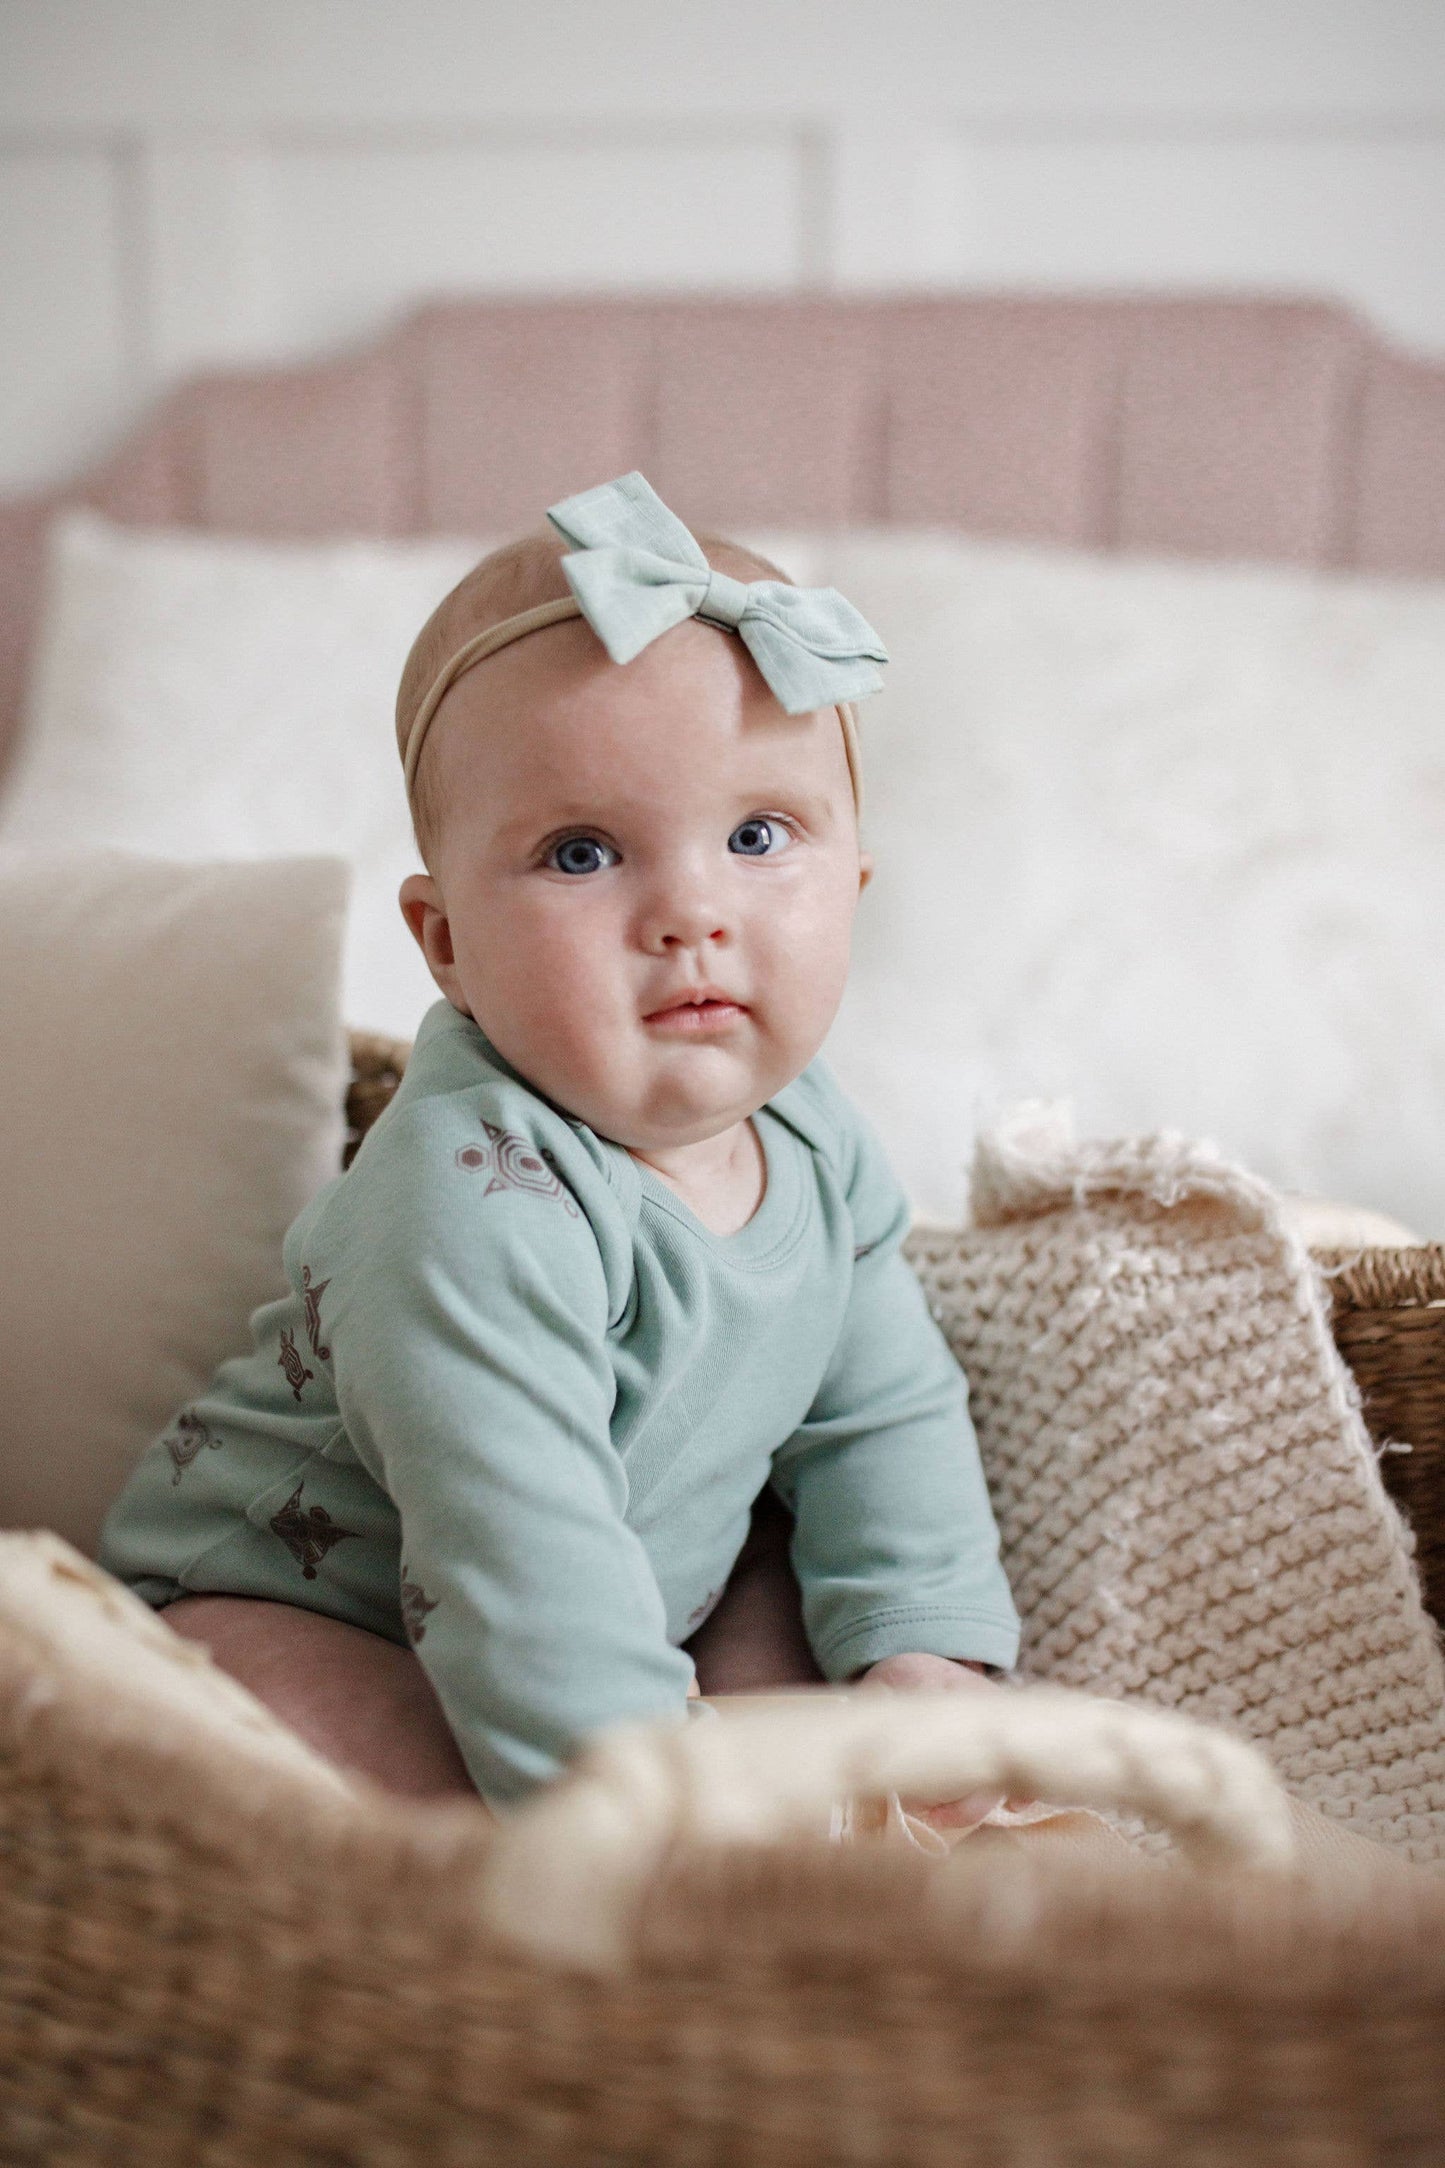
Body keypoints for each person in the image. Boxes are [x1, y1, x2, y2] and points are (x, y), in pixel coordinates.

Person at [97, 472, 1022, 1822]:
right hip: (309, 1602)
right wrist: (637, 1796)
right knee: (277, 1740)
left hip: (626, 1603)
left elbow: (880, 1413)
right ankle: (613, 1870)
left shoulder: (818, 1144)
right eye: (583, 853)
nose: (690, 911)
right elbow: (511, 1552)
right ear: (446, 944)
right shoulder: (468, 1193)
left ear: (855, 889)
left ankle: (735, 1797)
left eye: (757, 836)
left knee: (798, 1631)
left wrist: (920, 1647)